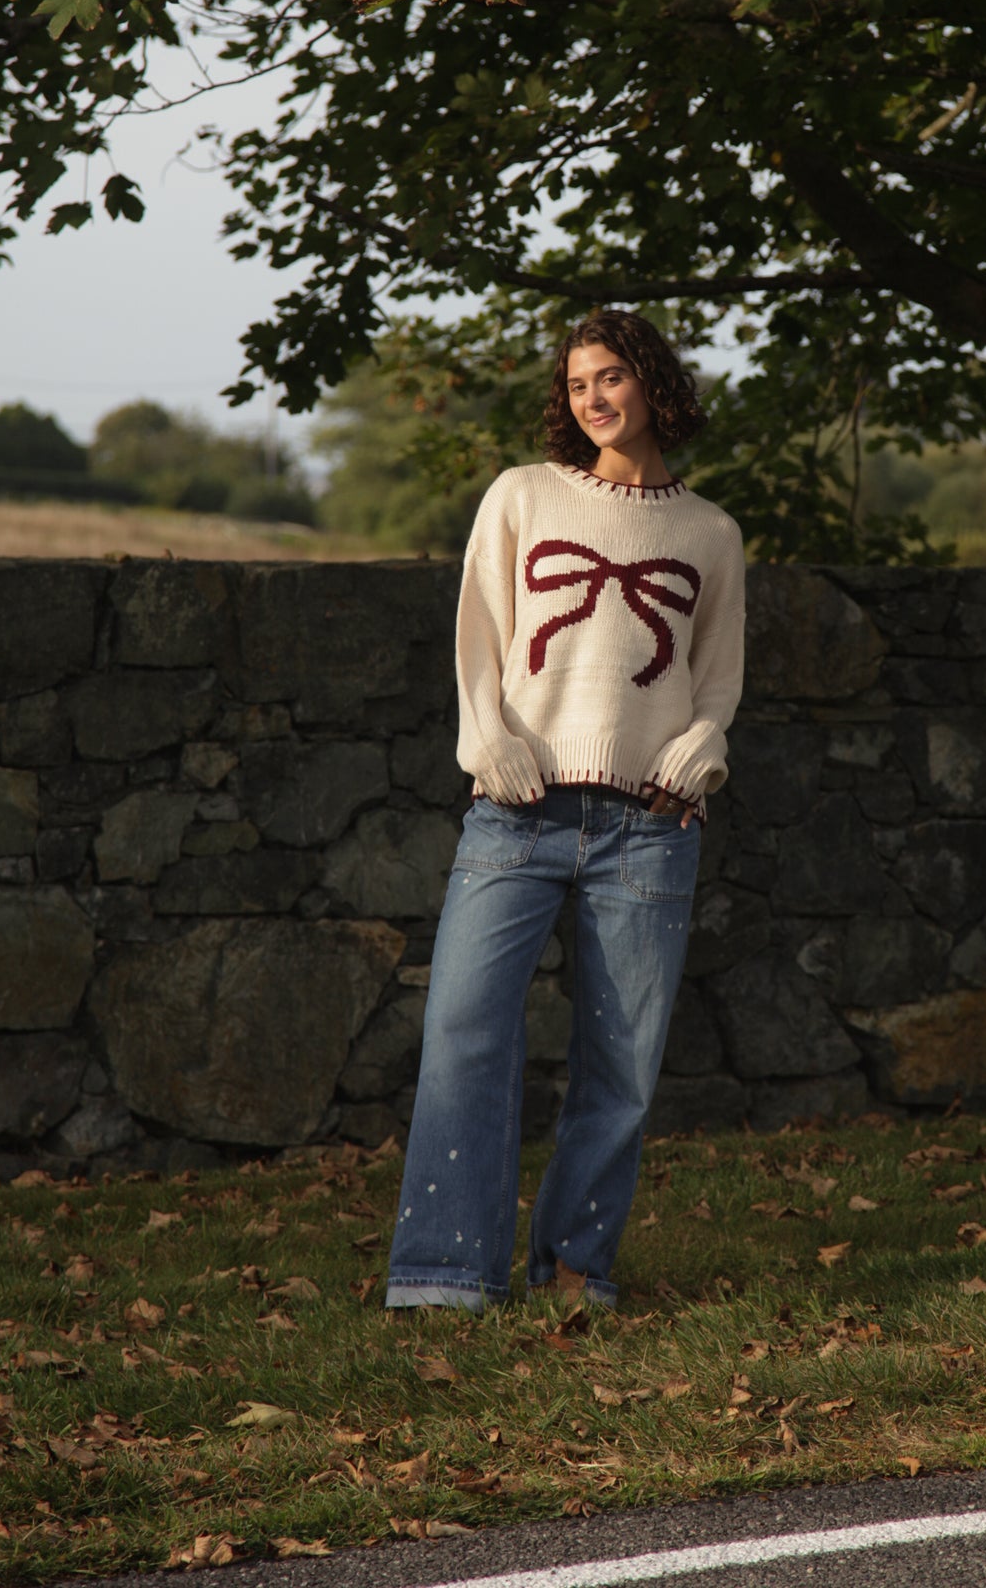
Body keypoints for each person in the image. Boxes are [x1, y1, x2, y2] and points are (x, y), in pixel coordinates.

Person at [385, 311, 746, 1312]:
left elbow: (714, 683)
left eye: (613, 374)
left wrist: (701, 747)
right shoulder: (522, 495)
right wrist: (486, 741)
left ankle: (576, 1265)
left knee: (621, 1061)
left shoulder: (709, 532)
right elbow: (477, 635)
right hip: (517, 809)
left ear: (654, 383)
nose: (593, 395)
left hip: (648, 824)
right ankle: (445, 1274)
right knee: (463, 1030)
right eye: (579, 381)